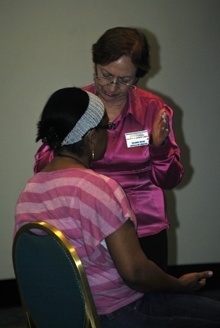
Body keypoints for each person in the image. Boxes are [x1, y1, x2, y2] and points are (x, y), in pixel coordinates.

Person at [15, 87, 220, 328]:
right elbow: (136, 274)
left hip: (66, 316)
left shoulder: (29, 191)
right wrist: (180, 284)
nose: (110, 134)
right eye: (106, 127)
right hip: (116, 313)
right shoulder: (97, 188)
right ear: (91, 137)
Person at [34, 27, 184, 272]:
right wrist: (61, 144)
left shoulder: (154, 110)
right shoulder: (76, 104)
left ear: (138, 76)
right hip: (87, 225)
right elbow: (43, 169)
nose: (112, 87)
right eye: (105, 75)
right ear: (95, 65)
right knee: (97, 304)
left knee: (154, 300)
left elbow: (171, 180)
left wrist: (160, 149)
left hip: (144, 224)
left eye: (125, 80)